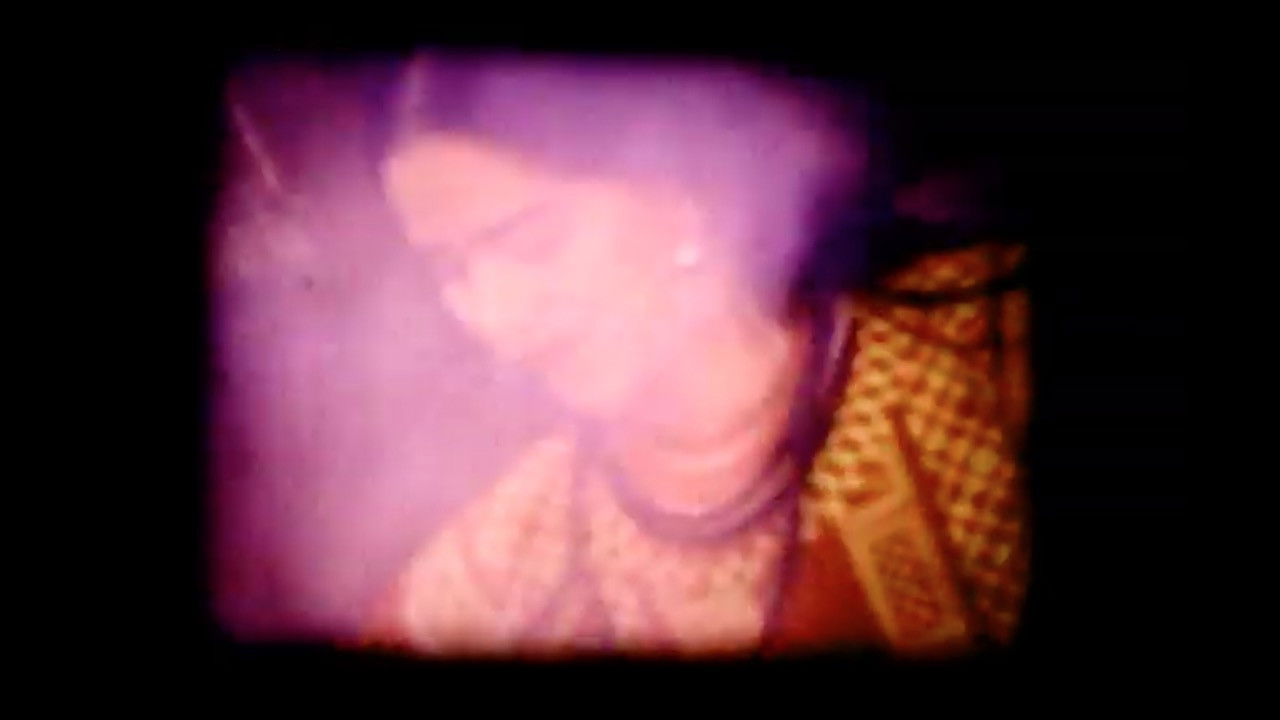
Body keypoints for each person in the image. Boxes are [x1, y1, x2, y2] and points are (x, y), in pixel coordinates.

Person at [360, 54, 1030, 659]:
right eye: (451, 271)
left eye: (533, 241)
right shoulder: (527, 547)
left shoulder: (981, 352)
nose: (496, 315)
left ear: (679, 189)